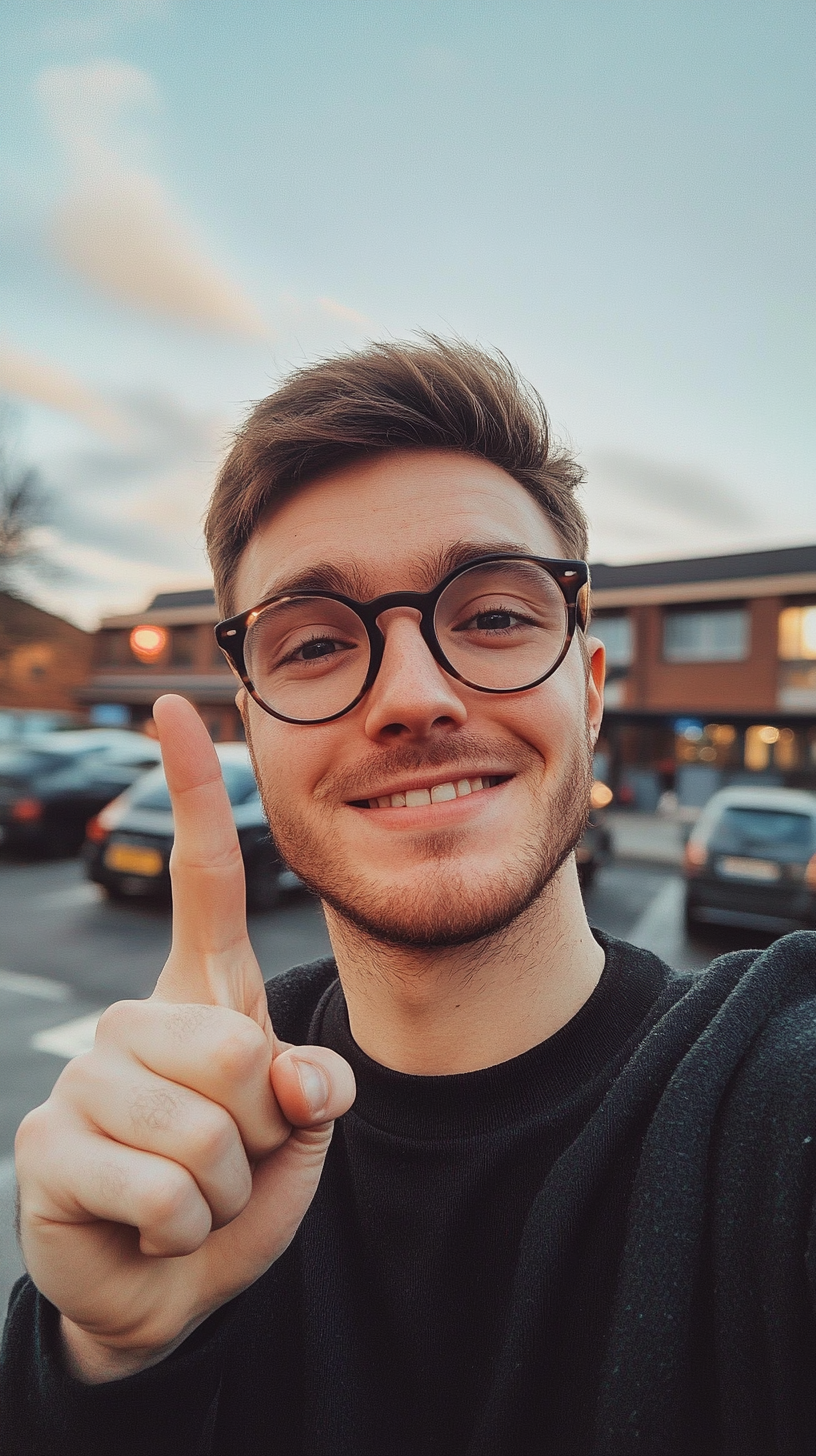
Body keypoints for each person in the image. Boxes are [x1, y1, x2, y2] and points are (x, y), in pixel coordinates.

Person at [2, 339, 816, 1456]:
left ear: (588, 681)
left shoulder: (774, 1108)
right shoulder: (190, 1149)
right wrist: (100, 1368)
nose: (415, 697)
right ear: (252, 725)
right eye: (319, 643)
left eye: (492, 617)